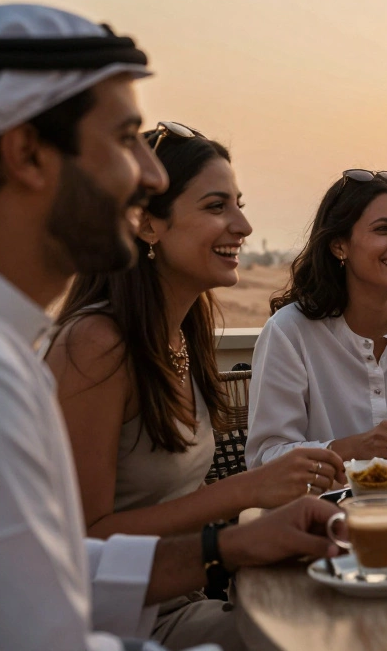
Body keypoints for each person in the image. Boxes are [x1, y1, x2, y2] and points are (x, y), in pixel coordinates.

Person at [0, 4, 344, 651]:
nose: (152, 174)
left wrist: (231, 543)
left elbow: (50, 567)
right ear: (26, 153)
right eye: (125, 138)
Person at [46, 122, 346, 650]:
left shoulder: (184, 333)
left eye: (239, 204)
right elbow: (80, 543)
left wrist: (279, 512)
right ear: (146, 225)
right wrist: (245, 497)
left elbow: (179, 495)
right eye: (216, 207)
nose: (243, 225)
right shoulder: (95, 345)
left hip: (195, 593)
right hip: (128, 622)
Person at [246, 169, 387, 466]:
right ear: (340, 246)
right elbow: (265, 459)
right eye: (383, 229)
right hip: (322, 508)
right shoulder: (289, 331)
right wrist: (354, 448)